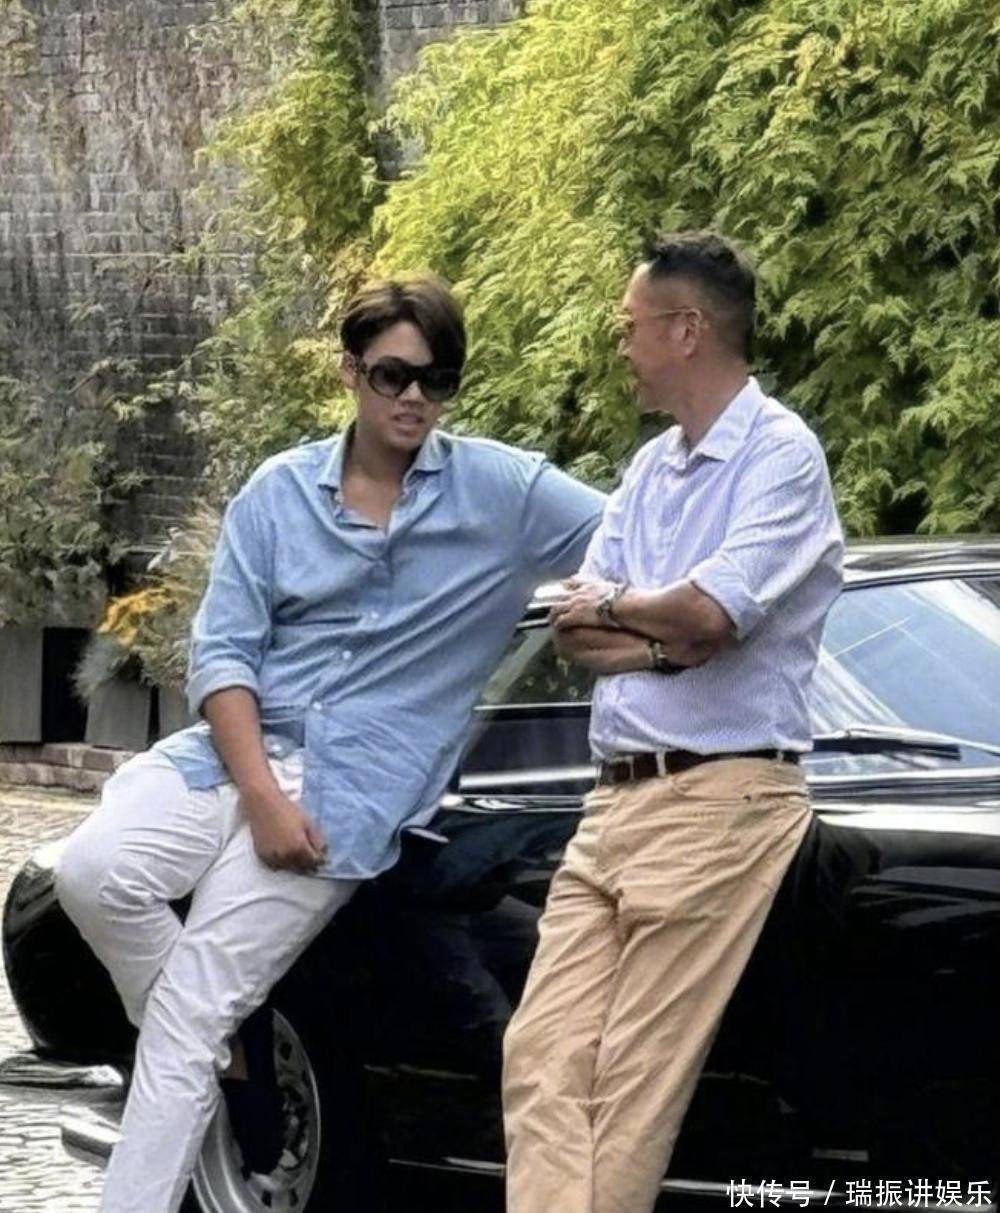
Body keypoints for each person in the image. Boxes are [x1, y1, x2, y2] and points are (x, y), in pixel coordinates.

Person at [54, 276, 605, 1213]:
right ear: (352, 371)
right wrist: (263, 797)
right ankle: (230, 1049)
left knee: (189, 1008)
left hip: (346, 801)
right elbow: (224, 656)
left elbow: (637, 533)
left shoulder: (503, 493)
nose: (414, 399)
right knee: (92, 872)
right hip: (232, 759)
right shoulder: (280, 492)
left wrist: (616, 603)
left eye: (437, 380)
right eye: (393, 375)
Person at [502, 231, 844, 1213]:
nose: (621, 342)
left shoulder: (781, 454)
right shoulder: (650, 468)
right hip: (611, 804)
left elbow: (709, 613)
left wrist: (636, 609)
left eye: (631, 324)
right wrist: (658, 636)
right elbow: (573, 627)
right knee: (540, 1058)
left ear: (686, 329)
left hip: (722, 796)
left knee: (630, 1083)